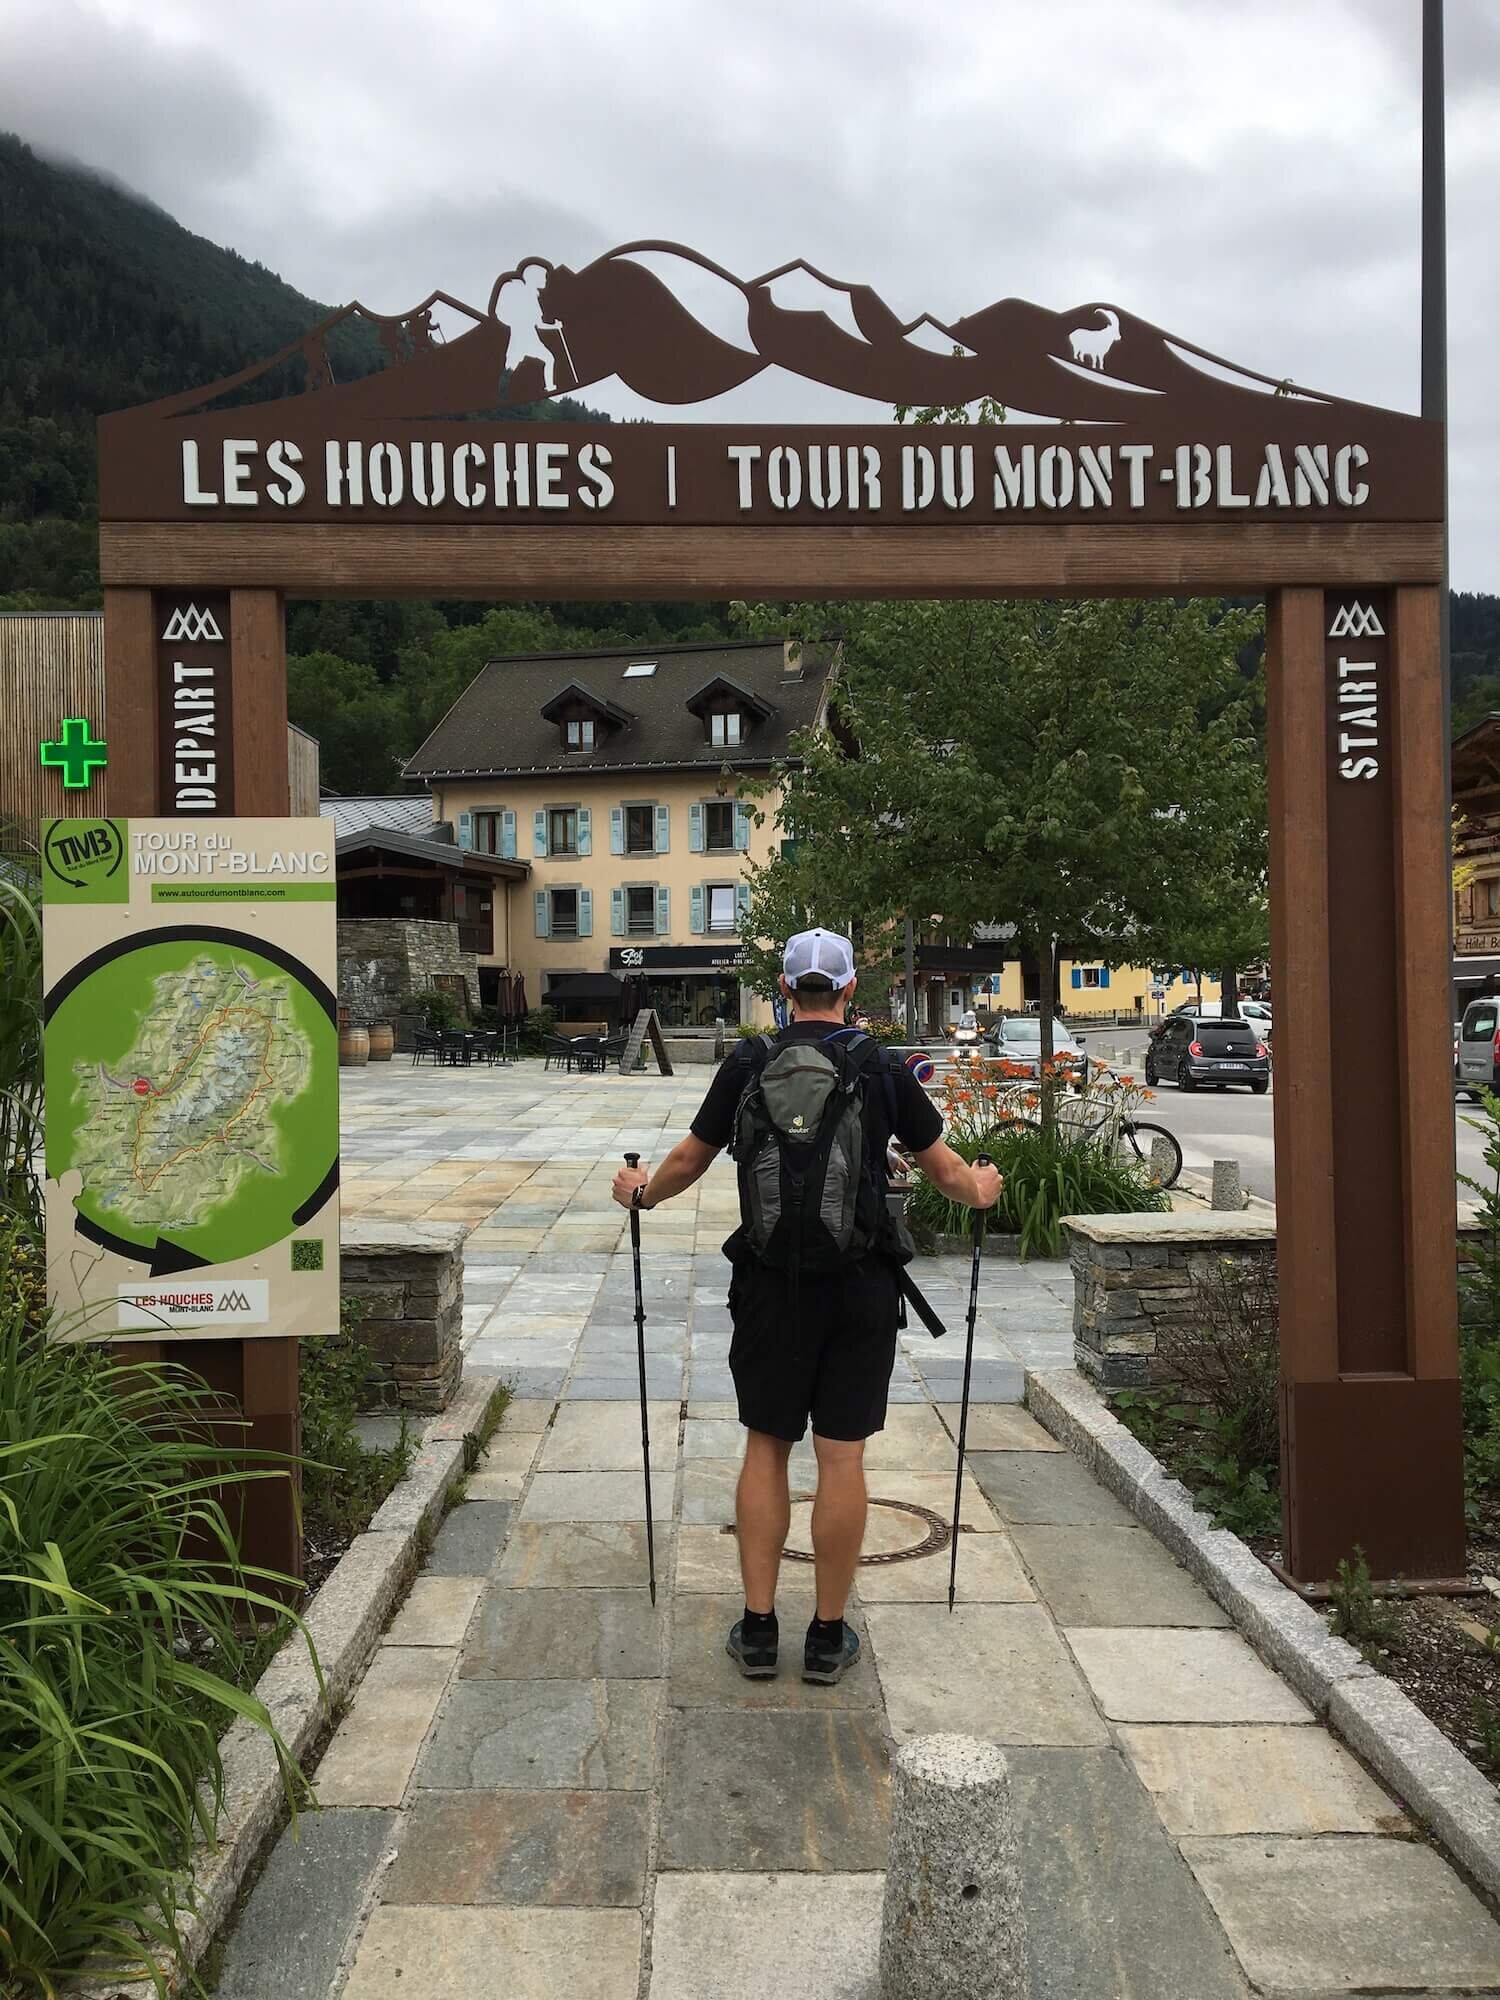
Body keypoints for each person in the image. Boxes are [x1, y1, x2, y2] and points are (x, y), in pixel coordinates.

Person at [612, 927, 1001, 1685]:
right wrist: (983, 1189)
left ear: (785, 991)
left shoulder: (750, 1062)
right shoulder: (881, 1066)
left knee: (766, 1446)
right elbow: (947, 1170)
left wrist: (641, 1195)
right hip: (859, 1287)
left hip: (768, 1286)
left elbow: (692, 1156)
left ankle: (759, 1631)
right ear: (851, 989)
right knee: (842, 1456)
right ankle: (827, 1637)